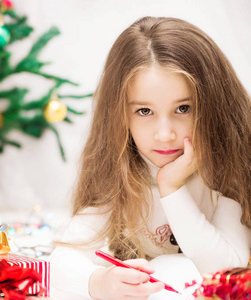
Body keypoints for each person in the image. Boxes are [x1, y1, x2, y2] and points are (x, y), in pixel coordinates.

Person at [50, 16, 251, 300]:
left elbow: (229, 271)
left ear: (213, 105)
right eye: (145, 111)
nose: (165, 134)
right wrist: (98, 282)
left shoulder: (223, 170)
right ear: (120, 116)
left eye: (183, 108)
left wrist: (172, 186)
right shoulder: (121, 171)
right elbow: (63, 259)